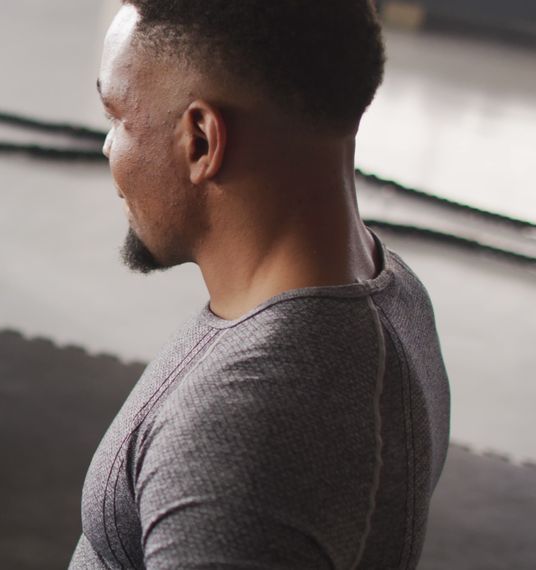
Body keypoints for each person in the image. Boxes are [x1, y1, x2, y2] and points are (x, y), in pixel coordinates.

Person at [76, 1, 450, 568]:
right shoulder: (394, 292)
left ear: (201, 140)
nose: (109, 148)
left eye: (117, 118)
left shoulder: (242, 437)